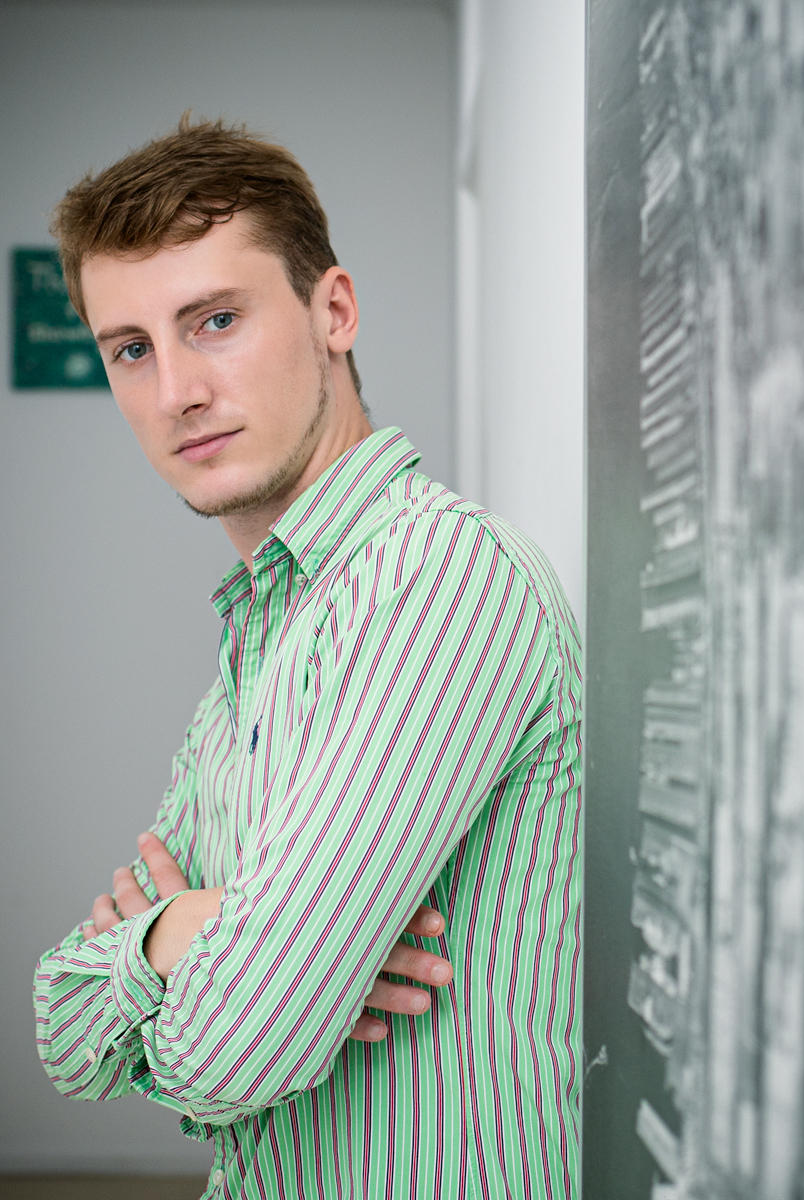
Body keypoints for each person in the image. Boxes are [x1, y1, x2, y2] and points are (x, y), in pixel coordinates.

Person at [33, 115, 582, 1198]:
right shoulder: (265, 628)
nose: (175, 391)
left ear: (333, 311)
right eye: (131, 349)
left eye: (215, 321)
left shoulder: (438, 579)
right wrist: (177, 937)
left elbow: (233, 1054)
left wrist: (206, 970)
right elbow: (61, 1030)